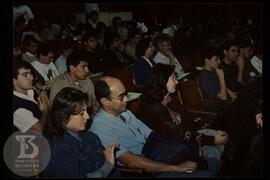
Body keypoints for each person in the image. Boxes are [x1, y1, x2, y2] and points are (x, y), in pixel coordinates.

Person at [90, 76, 219, 177]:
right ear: (105, 101)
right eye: (121, 97)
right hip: (145, 170)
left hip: (156, 155)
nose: (126, 100)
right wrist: (176, 168)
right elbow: (131, 162)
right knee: (206, 172)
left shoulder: (126, 113)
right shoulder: (100, 127)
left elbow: (152, 135)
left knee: (212, 162)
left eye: (126, 94)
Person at [138, 63, 228, 161]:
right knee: (216, 152)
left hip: (190, 137)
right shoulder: (153, 110)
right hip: (177, 148)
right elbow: (177, 136)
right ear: (162, 81)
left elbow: (188, 118)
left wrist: (208, 127)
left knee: (225, 140)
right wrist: (212, 140)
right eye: (173, 78)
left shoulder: (169, 99)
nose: (177, 82)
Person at [44, 87, 119, 177]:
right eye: (81, 113)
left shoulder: (89, 136)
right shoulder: (58, 148)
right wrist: (108, 165)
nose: (87, 116)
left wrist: (106, 154)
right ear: (64, 116)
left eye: (86, 111)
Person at [13, 58, 49, 134]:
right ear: (14, 81)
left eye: (30, 74)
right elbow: (40, 130)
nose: (31, 78)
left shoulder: (31, 90)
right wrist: (45, 110)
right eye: (25, 75)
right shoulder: (17, 108)